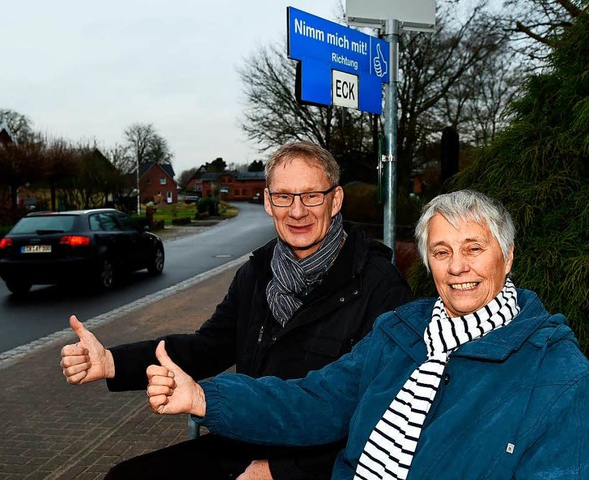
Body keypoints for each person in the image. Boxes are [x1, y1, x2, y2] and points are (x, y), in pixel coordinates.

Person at [148, 189, 589, 479]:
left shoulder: (557, 372)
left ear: (507, 257)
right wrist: (206, 398)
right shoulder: (399, 330)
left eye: (474, 249)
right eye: (441, 251)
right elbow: (315, 400)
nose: (457, 267)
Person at [60, 141, 413, 479]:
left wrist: (285, 472)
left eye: (311, 196)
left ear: (335, 200)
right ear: (268, 202)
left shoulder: (379, 285)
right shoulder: (257, 274)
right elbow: (207, 347)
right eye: (283, 196)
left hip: (322, 460)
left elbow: (386, 411)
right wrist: (111, 362)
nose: (297, 211)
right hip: (246, 438)